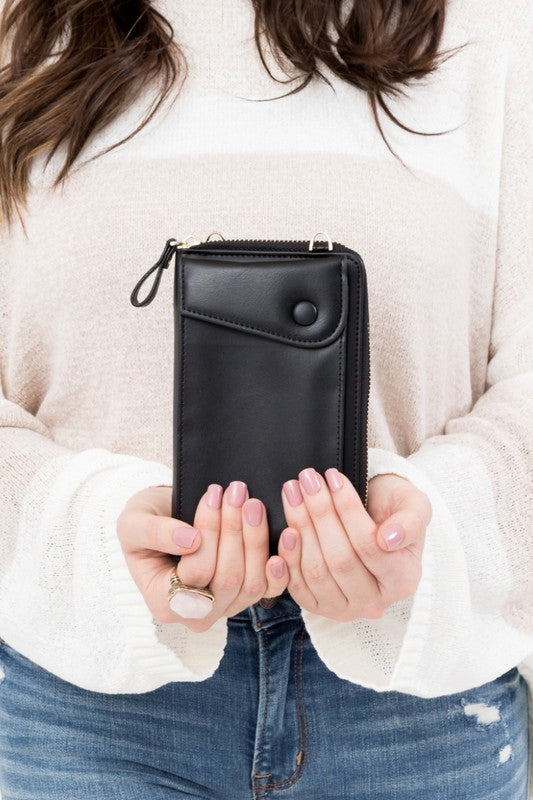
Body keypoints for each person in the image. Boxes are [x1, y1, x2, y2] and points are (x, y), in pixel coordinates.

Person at [0, 0, 531, 798]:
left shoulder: (492, 32)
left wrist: (429, 521)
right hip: (75, 702)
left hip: (420, 711)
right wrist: (88, 524)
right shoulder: (16, 34)